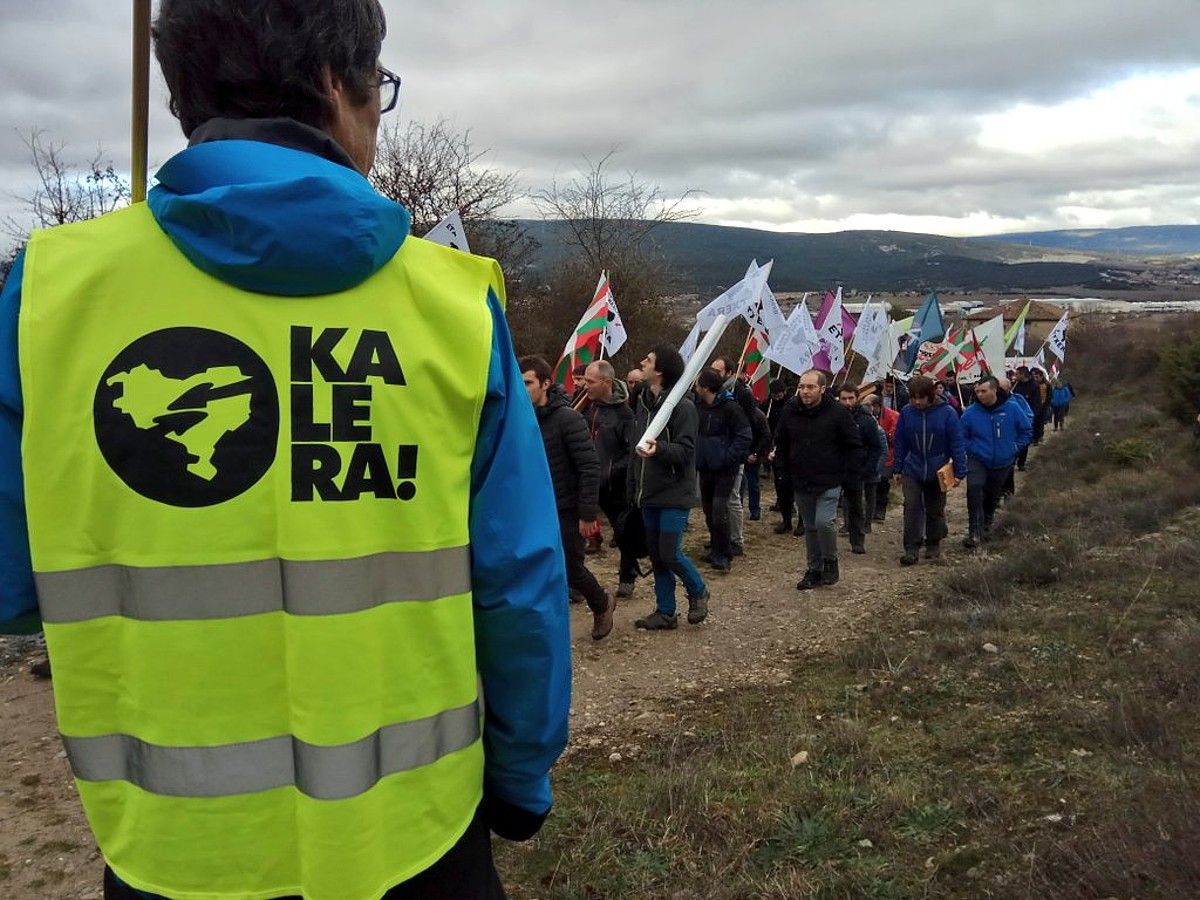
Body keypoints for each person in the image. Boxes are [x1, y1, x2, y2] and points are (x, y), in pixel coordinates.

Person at [0, 3, 571, 897]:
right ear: (337, 87)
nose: (379, 118)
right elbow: (520, 582)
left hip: (178, 850)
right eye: (378, 90)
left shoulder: (51, 297)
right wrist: (521, 775)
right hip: (415, 835)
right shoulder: (454, 310)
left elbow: (9, 578)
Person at [521, 357, 615, 640]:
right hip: (534, 507)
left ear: (545, 383)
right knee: (535, 565)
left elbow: (589, 466)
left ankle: (600, 603)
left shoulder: (568, 419)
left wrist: (587, 514)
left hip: (566, 508)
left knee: (571, 567)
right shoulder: (520, 420)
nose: (522, 388)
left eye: (528, 383)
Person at [629, 346, 710, 629]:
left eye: (648, 360)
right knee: (657, 555)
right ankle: (666, 612)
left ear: (660, 371)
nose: (642, 362)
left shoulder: (682, 408)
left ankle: (698, 591)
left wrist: (659, 449)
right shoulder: (642, 402)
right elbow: (633, 450)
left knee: (669, 552)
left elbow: (687, 452)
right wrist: (633, 486)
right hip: (648, 493)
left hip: (674, 493)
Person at [772, 370, 864, 590]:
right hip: (801, 479)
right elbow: (782, 443)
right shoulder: (790, 411)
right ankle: (814, 569)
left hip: (830, 479)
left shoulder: (838, 413)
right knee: (810, 526)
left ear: (822, 389)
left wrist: (851, 476)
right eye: (802, 387)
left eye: (810, 387)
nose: (805, 391)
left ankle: (830, 560)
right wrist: (782, 471)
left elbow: (853, 445)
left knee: (824, 522)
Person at [582, 360, 646, 598]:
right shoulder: (585, 406)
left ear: (606, 383)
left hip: (613, 485)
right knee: (574, 529)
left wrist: (610, 471)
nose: (585, 385)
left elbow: (631, 452)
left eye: (590, 381)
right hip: (587, 481)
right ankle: (575, 582)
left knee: (622, 531)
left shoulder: (625, 414)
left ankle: (627, 574)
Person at [892, 375, 968, 565]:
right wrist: (897, 467)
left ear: (931, 395)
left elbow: (957, 442)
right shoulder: (907, 412)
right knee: (911, 506)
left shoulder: (948, 413)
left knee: (935, 509)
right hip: (913, 467)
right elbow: (900, 441)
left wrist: (960, 470)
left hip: (938, 468)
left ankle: (933, 543)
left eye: (922, 397)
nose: (917, 402)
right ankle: (911, 548)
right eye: (914, 397)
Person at [959, 376, 1033, 548]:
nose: (979, 394)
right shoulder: (970, 412)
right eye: (977, 391)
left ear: (994, 390)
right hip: (977, 459)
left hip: (1003, 461)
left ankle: (986, 525)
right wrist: (971, 449)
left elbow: (1026, 430)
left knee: (991, 496)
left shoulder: (1012, 408)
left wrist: (1015, 447)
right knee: (974, 489)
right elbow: (961, 435)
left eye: (983, 391)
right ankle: (974, 531)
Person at [694, 368, 752, 573]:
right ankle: (715, 546)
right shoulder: (698, 407)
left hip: (725, 469)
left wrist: (728, 458)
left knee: (720, 510)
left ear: (706, 387)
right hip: (705, 466)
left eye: (698, 384)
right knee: (709, 510)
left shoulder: (730, 408)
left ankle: (724, 553)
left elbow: (744, 435)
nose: (695, 387)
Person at [711, 356, 755, 557]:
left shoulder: (741, 393)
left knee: (732, 498)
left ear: (729, 373)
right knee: (716, 501)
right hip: (715, 454)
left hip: (733, 454)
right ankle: (720, 538)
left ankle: (736, 540)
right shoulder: (711, 392)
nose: (714, 374)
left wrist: (738, 452)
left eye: (718, 371)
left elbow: (747, 425)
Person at [836, 385, 886, 554]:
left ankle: (857, 539)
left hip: (856, 468)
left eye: (851, 398)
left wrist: (868, 468)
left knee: (855, 504)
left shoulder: (866, 419)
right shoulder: (833, 416)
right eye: (844, 398)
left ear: (857, 397)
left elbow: (875, 447)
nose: (847, 402)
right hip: (834, 467)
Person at [864, 394, 899, 522]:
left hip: (888, 454)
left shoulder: (893, 416)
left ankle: (880, 509)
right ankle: (869, 510)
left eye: (868, 405)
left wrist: (881, 433)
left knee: (882, 481)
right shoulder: (865, 416)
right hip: (871, 454)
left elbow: (895, 438)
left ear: (876, 406)